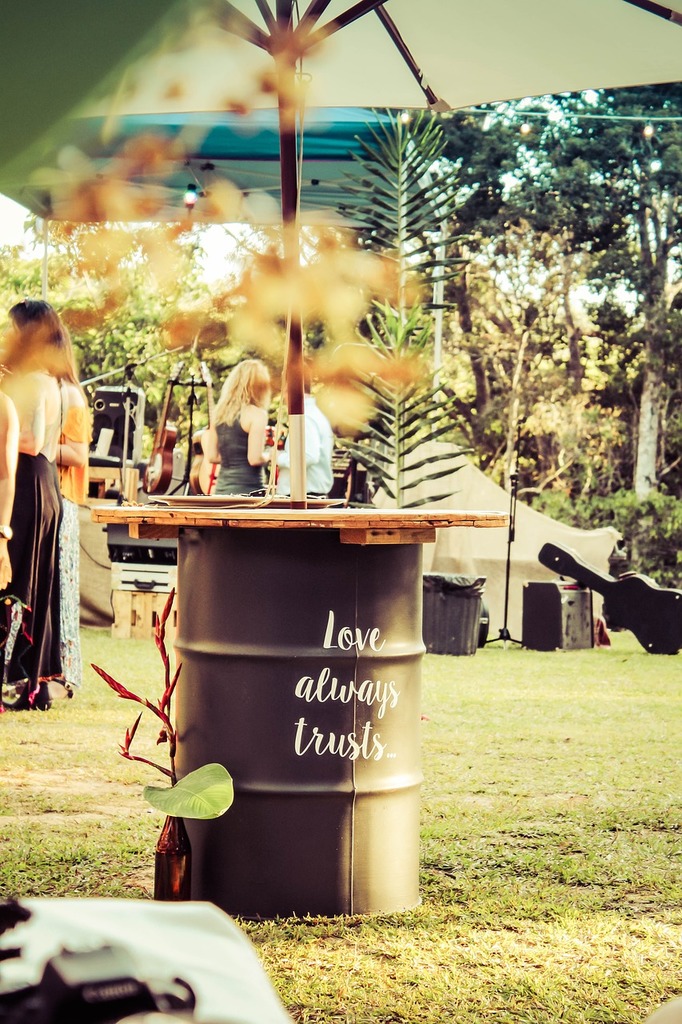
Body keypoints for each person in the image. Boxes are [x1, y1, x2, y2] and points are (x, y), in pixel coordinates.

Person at [0, 299, 68, 710]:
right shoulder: (51, 379)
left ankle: (21, 679)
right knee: (34, 584)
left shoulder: (37, 382)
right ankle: (33, 682)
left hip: (29, 482)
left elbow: (33, 440)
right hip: (45, 482)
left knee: (15, 581)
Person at [56, 335, 90, 692]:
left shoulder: (70, 396)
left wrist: (41, 442)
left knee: (63, 587)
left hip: (63, 499)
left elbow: (78, 454)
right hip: (47, 497)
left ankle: (66, 672)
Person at [201, 359, 271, 496]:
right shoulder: (257, 414)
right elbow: (255, 458)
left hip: (221, 491)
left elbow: (211, 456)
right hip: (249, 493)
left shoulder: (219, 414)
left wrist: (235, 458)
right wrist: (270, 455)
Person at [276, 367, 334, 498]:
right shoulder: (314, 415)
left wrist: (277, 457)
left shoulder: (305, 418)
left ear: (290, 388)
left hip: (305, 495)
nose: (283, 397)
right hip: (307, 494)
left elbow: (308, 456)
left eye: (284, 391)